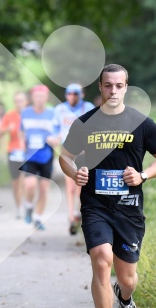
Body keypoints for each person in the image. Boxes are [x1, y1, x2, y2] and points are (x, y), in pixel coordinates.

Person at [59, 64, 156, 308]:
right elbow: (65, 156)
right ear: (100, 87)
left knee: (127, 279)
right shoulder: (84, 123)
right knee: (101, 258)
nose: (113, 91)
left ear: (126, 87)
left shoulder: (141, 123)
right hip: (95, 205)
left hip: (128, 209)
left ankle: (125, 297)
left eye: (118, 86)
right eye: (107, 85)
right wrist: (75, 174)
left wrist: (143, 175)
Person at [53, 83, 96, 235]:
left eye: (75, 94)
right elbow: (56, 129)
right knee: (70, 185)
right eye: (69, 93)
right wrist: (53, 139)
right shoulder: (60, 110)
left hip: (84, 151)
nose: (72, 96)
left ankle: (78, 213)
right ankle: (71, 216)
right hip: (67, 151)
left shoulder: (88, 107)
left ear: (81, 95)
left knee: (80, 184)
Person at [19, 85, 58, 230]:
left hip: (46, 155)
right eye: (37, 96)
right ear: (32, 98)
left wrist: (55, 140)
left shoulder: (52, 113)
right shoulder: (25, 113)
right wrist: (22, 143)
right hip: (30, 155)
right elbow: (21, 131)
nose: (40, 99)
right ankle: (29, 206)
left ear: (46, 98)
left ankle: (38, 217)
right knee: (30, 185)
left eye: (42, 96)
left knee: (43, 188)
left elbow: (58, 132)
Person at [0, 91, 28, 218]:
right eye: (16, 101)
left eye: (21, 100)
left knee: (25, 180)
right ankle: (19, 207)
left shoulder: (31, 114)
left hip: (28, 152)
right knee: (15, 182)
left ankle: (27, 205)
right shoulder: (10, 115)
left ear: (26, 101)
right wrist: (6, 129)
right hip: (13, 151)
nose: (18, 103)